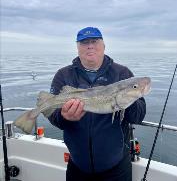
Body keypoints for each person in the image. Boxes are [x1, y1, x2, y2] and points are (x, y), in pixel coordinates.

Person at [48, 27, 146, 181]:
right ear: (77, 47)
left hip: (117, 166)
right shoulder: (64, 75)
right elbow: (53, 116)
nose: (90, 46)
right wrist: (64, 116)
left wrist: (126, 99)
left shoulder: (122, 74)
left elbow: (138, 116)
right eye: (84, 42)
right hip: (77, 165)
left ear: (104, 45)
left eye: (94, 41)